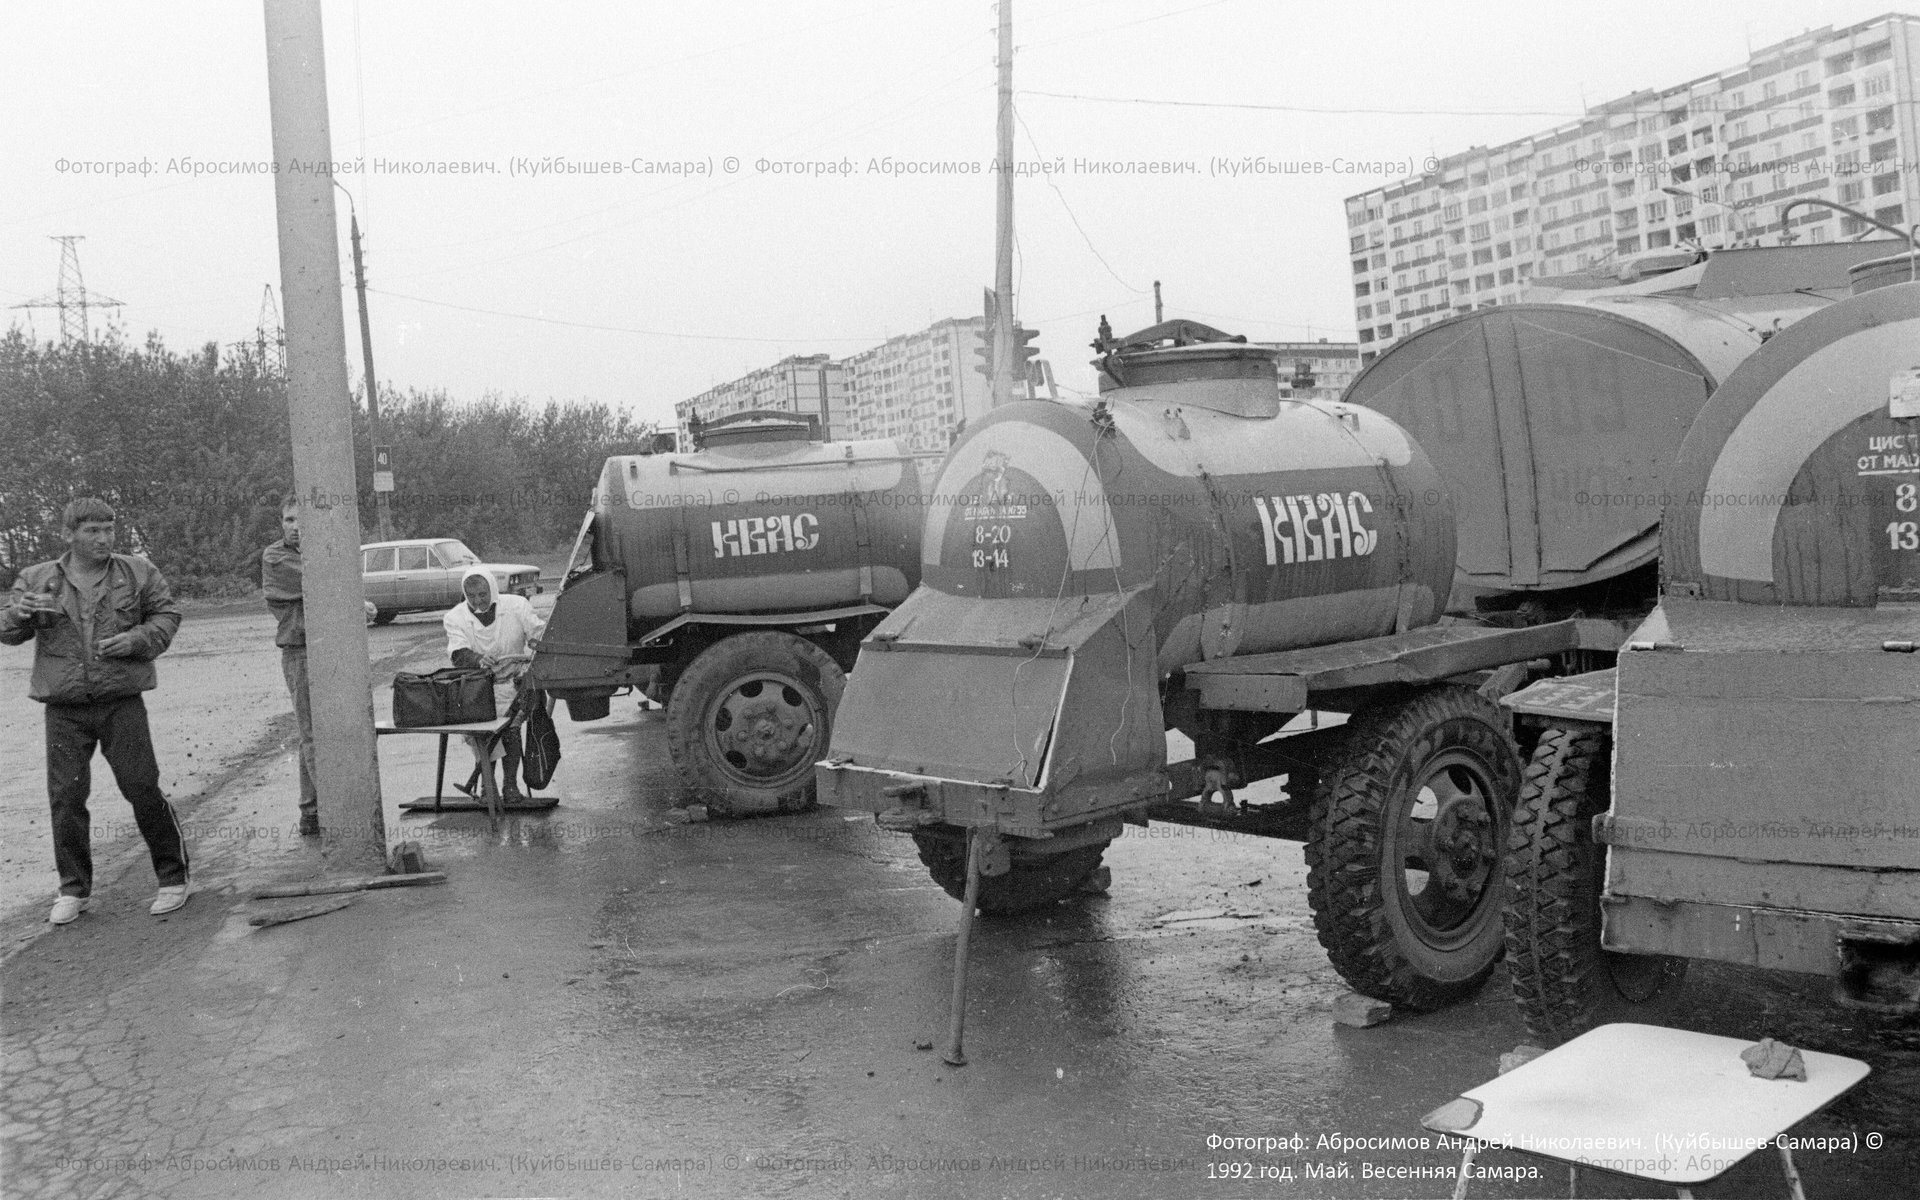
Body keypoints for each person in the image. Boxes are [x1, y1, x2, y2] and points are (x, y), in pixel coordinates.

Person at [0, 497, 191, 923]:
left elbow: (167, 614)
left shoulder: (138, 571)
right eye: (93, 530)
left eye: (109, 528)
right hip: (64, 708)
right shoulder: (36, 578)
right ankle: (73, 890)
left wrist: (138, 640)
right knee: (66, 798)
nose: (105, 538)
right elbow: (7, 632)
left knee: (142, 788)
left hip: (121, 701)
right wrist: (19, 612)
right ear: (68, 535)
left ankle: (173, 878)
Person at [443, 567, 546, 800]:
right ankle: (487, 787)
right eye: (471, 596)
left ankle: (510, 786)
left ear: (492, 589)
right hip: (477, 689)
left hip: (514, 684)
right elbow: (458, 653)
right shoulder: (455, 617)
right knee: (482, 737)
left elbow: (539, 633)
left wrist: (535, 641)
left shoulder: (517, 606)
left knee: (511, 733)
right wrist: (477, 659)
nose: (477, 601)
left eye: (482, 594)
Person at [261, 498, 320, 836]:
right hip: (300, 652)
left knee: (316, 735)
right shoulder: (276, 556)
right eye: (289, 519)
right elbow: (323, 578)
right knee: (313, 736)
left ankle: (310, 812)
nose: (295, 526)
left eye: (301, 519)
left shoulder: (318, 552)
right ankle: (333, 812)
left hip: (329, 651)